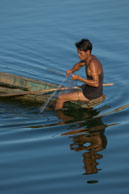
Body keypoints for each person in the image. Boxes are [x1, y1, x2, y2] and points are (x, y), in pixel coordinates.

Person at [55, 38, 104, 110]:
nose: (79, 55)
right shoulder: (88, 59)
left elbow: (96, 83)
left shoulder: (93, 63)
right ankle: (87, 109)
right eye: (78, 53)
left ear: (88, 52)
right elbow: (78, 65)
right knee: (80, 87)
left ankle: (60, 118)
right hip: (92, 89)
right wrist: (71, 71)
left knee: (60, 98)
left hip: (93, 93)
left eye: (80, 53)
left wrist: (80, 78)